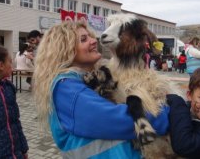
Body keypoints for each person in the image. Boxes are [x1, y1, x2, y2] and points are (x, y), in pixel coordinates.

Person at [32, 21, 169, 158]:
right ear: (65, 50)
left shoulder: (89, 79)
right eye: (84, 39)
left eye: (91, 36)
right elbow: (118, 121)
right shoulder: (67, 89)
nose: (94, 41)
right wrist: (168, 113)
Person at [0, 45, 29, 158]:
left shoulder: (9, 87)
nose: (12, 66)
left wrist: (23, 149)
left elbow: (15, 121)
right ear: (1, 65)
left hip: (15, 153)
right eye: (10, 62)